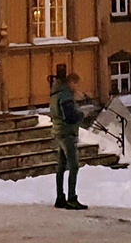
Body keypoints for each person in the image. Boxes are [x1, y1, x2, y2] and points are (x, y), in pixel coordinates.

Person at [48, 72, 87, 210]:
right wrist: (81, 115)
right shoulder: (65, 96)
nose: (78, 87)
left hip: (58, 132)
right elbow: (70, 116)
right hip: (67, 133)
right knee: (73, 166)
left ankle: (60, 197)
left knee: (61, 166)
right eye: (77, 84)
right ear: (71, 82)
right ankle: (72, 198)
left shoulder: (56, 93)